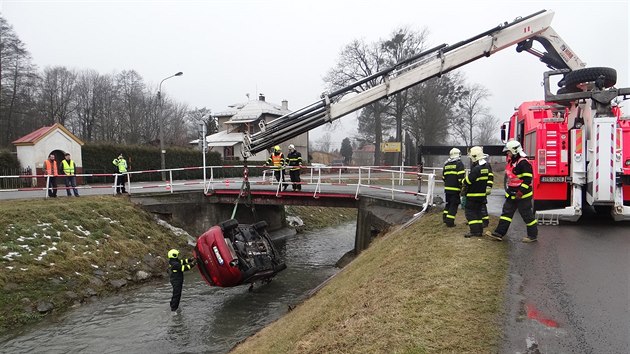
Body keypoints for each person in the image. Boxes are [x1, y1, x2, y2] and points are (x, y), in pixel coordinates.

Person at [485, 140, 538, 243]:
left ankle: (532, 236)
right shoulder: (511, 161)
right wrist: (509, 192)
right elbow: (511, 179)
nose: (507, 153)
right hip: (512, 193)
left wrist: (520, 192)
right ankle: (498, 234)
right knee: (506, 214)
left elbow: (527, 180)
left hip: (523, 194)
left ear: (515, 151)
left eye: (509, 151)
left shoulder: (523, 162)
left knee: (527, 215)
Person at [461, 146, 490, 238]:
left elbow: (468, 181)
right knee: (477, 213)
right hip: (481, 195)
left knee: (470, 213)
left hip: (473, 195)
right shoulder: (485, 167)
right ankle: (479, 231)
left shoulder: (476, 169)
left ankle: (474, 231)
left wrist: (463, 181)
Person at [442, 148, 465, 227]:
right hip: (455, 189)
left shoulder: (446, 164)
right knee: (454, 204)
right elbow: (461, 178)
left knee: (448, 204)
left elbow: (443, 177)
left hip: (447, 189)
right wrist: (462, 186)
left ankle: (445, 218)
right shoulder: (459, 164)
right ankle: (450, 222)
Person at [481, 151, 494, 228]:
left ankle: (485, 221)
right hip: (478, 188)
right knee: (477, 205)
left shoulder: (486, 165)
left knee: (482, 205)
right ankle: (479, 220)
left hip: (483, 187)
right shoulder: (475, 164)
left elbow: (490, 176)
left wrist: (488, 186)